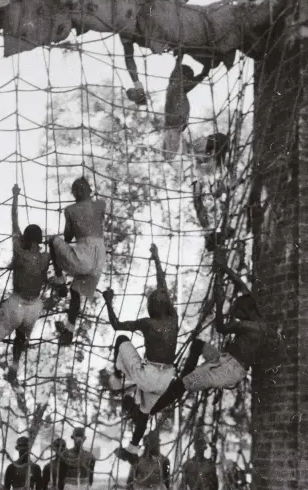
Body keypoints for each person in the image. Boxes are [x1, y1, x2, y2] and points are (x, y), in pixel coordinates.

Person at [150, 248, 266, 415]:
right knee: (197, 345)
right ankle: (184, 377)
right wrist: (224, 267)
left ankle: (151, 411)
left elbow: (221, 328)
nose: (235, 315)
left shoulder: (249, 326)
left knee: (184, 384)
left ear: (245, 312)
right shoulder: (255, 312)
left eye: (238, 313)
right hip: (225, 359)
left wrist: (219, 304)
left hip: (230, 370)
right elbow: (241, 285)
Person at [101, 243, 178, 461]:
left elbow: (116, 325)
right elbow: (163, 286)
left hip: (148, 374)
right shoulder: (174, 319)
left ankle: (117, 378)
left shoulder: (147, 323)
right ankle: (133, 449)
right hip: (166, 379)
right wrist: (156, 257)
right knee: (144, 414)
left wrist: (108, 301)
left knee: (122, 340)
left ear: (151, 307)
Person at [0, 184, 49, 381]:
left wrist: (14, 196)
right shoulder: (46, 257)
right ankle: (13, 367)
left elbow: (14, 220)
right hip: (35, 306)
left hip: (18, 302)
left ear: (26, 239)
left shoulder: (19, 252)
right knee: (21, 335)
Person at [50, 177, 107, 346]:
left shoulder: (70, 209)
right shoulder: (100, 204)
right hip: (100, 258)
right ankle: (69, 330)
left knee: (52, 240)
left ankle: (60, 280)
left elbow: (67, 237)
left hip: (86, 254)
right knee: (75, 292)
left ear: (75, 193)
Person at [163, 54, 211, 161]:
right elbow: (179, 75)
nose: (189, 82)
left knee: (172, 152)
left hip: (175, 128)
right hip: (174, 128)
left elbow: (196, 80)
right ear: (182, 77)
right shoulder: (174, 86)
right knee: (171, 153)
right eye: (187, 79)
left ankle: (170, 154)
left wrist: (203, 73)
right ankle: (170, 155)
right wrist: (180, 56)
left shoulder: (181, 90)